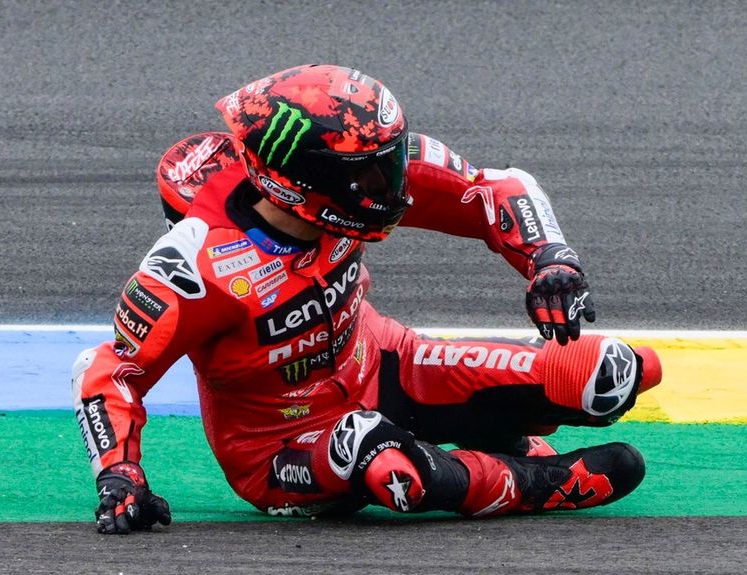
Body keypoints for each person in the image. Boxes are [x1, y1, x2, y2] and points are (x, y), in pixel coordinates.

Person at [72, 64, 662, 533]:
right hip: (282, 448)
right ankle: (535, 480)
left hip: (383, 359)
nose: (394, 184)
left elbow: (500, 186)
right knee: (382, 460)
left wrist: (549, 261)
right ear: (298, 180)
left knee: (614, 373)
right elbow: (107, 371)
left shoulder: (361, 169)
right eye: (373, 175)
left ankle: (493, 429)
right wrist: (121, 477)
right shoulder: (191, 266)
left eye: (393, 160)